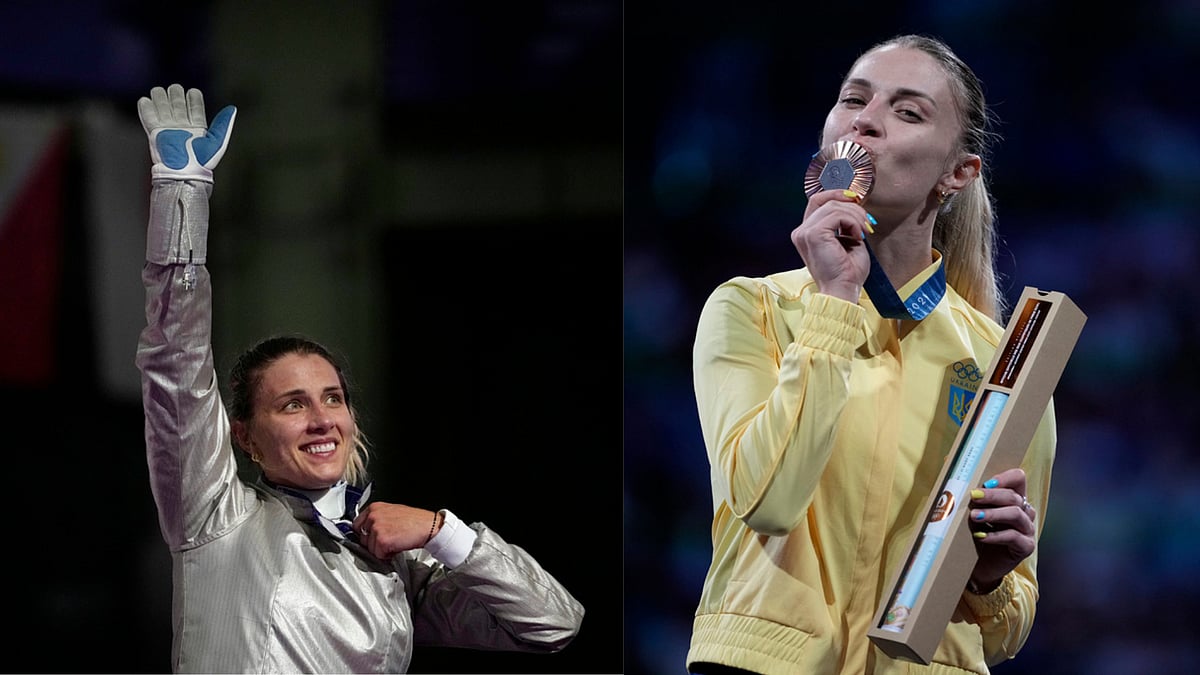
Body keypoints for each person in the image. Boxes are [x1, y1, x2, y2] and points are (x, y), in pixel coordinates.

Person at [134, 83, 584, 673]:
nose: (322, 418)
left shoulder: (395, 561)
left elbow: (554, 625)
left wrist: (439, 530)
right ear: (243, 435)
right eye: (292, 405)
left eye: (332, 399)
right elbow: (176, 368)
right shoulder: (215, 515)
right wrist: (182, 196)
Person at [685, 34, 1055, 675]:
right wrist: (835, 297)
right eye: (853, 99)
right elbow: (768, 501)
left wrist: (990, 581)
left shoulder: (1006, 360)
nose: (865, 119)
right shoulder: (750, 309)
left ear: (958, 174)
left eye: (907, 112)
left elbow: (1011, 625)